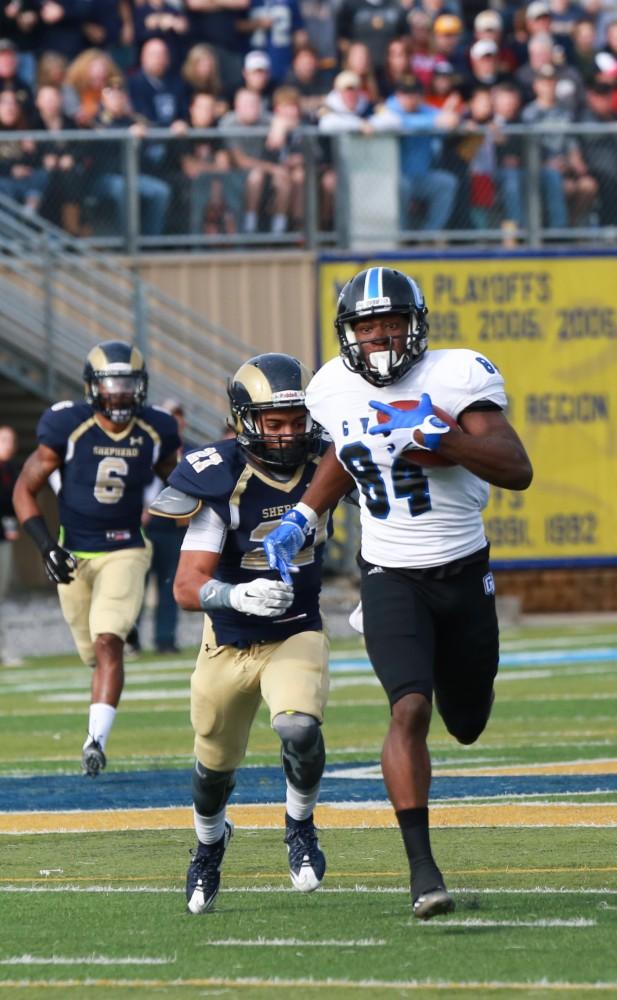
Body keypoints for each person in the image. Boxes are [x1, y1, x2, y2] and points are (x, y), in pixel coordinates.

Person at [262, 267, 533, 921]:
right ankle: (422, 872)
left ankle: (462, 692)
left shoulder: (457, 374)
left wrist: (450, 440)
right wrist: (305, 512)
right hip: (388, 572)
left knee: (464, 722)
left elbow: (516, 468)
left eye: (390, 322)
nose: (379, 335)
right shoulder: (329, 386)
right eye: (366, 324)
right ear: (347, 332)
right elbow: (341, 455)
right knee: (407, 709)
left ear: (415, 325)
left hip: (462, 570)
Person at [148, 352, 332, 913]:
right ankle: (209, 845)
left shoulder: (329, 463)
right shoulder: (220, 476)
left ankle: (299, 826)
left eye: (296, 421)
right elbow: (185, 585)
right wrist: (236, 593)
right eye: (273, 423)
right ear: (244, 420)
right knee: (213, 769)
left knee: (299, 729)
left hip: (295, 630)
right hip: (226, 639)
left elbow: (377, 512)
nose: (287, 434)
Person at [13, 341, 180, 776]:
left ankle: (95, 741)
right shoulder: (68, 426)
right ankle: (101, 703)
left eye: (128, 383)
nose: (121, 393)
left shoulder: (157, 430)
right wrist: (46, 545)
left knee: (110, 641)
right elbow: (23, 489)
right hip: (72, 553)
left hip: (126, 547)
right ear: (93, 387)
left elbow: (184, 485)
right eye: (112, 383)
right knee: (93, 653)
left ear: (140, 387)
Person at [0, 425, 20, 666]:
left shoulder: (10, 470)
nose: (7, 444)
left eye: (10, 439)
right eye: (3, 439)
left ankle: (3, 649)